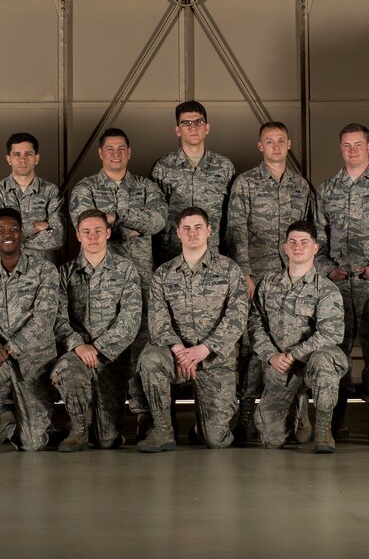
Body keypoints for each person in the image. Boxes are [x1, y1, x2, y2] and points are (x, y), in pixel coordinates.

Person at [68, 128, 167, 423]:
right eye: (109, 148)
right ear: (100, 153)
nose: (115, 153)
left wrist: (117, 217)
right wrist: (134, 226)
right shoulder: (85, 188)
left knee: (141, 344)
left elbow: (158, 220)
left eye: (121, 148)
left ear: (129, 152)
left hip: (141, 278)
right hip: (99, 283)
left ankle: (143, 413)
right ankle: (102, 414)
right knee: (100, 343)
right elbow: (86, 224)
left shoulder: (146, 187)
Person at [225, 121, 316, 439]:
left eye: (280, 141)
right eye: (269, 141)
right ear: (260, 146)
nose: (275, 146)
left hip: (292, 279)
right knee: (251, 345)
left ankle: (298, 414)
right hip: (257, 278)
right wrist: (245, 274)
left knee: (293, 343)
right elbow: (236, 230)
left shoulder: (300, 186)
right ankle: (247, 413)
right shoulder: (246, 183)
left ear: (289, 144)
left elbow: (309, 233)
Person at [314, 123, 369, 440]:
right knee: (335, 351)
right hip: (336, 287)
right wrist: (328, 271)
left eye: (357, 144)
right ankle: (337, 415)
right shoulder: (327, 190)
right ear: (340, 148)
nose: (352, 150)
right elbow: (318, 240)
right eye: (346, 145)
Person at [136, 208, 250, 452]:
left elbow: (237, 317)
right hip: (175, 356)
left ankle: (203, 426)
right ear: (178, 233)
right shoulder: (163, 273)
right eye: (186, 228)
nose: (192, 233)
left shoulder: (229, 269)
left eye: (198, 227)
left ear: (209, 231)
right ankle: (163, 430)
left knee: (215, 440)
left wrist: (204, 349)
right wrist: (179, 350)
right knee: (150, 359)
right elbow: (157, 318)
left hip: (214, 359)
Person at [0, 208, 72, 455]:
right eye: (1, 230)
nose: (7, 234)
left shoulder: (44, 271)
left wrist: (10, 348)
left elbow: (43, 321)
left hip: (33, 361)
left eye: (13, 229)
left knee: (32, 444)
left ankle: (10, 418)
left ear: (22, 234)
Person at [249, 220, 347, 453]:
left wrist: (294, 355)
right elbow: (255, 323)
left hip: (312, 361)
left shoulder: (326, 289)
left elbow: (330, 333)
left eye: (304, 242)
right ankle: (299, 408)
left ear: (315, 248)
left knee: (324, 361)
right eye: (292, 242)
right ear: (285, 247)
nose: (297, 246)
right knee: (272, 439)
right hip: (280, 365)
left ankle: (323, 431)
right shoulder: (268, 284)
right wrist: (271, 355)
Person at [52, 208, 145, 451]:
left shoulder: (126, 270)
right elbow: (57, 318)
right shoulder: (65, 273)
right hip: (77, 354)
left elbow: (130, 320)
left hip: (111, 358)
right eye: (86, 232)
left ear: (108, 233)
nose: (92, 237)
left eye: (98, 231)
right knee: (69, 370)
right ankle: (78, 429)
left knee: (107, 440)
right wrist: (78, 345)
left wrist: (98, 348)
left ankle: (96, 423)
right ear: (78, 235)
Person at [151, 100, 235, 264]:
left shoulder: (224, 167)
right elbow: (154, 216)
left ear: (207, 128)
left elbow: (232, 217)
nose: (193, 127)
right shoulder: (162, 167)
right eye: (186, 123)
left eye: (198, 122)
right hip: (172, 254)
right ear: (178, 130)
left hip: (214, 254)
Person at [0, 132, 65, 263]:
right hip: (5, 270)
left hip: (43, 270)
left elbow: (58, 237)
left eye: (28, 154)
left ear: (36, 158)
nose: (23, 160)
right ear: (9, 159)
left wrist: (11, 237)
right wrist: (34, 227)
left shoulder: (51, 192)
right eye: (17, 154)